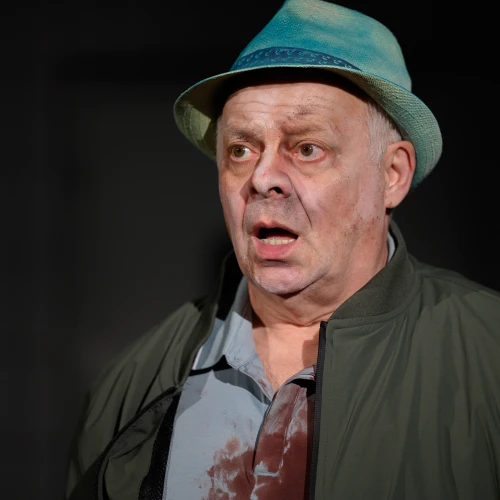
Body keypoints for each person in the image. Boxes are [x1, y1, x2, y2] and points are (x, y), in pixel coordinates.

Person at [64, 1, 500, 499]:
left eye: (307, 148)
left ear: (392, 174)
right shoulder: (131, 384)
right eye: (241, 150)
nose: (263, 177)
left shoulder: (487, 356)